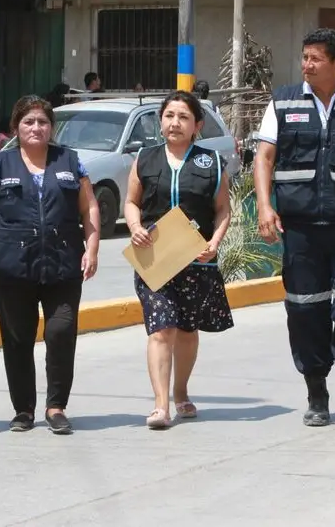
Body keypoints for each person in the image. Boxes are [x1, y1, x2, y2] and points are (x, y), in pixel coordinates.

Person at [252, 28, 335, 429]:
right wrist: (265, 206)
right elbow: (264, 157)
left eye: (315, 59)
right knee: (304, 308)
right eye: (304, 58)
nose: (306, 65)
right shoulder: (283, 102)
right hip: (300, 227)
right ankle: (316, 391)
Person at [0, 95, 101, 435]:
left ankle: (56, 406)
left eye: (42, 122)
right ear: (16, 128)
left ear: (51, 127)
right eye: (29, 122)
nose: (36, 128)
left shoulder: (70, 161)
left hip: (64, 264)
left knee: (60, 332)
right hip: (14, 265)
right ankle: (23, 409)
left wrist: (93, 248)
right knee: (17, 338)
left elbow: (90, 209)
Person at [124, 90, 234, 430]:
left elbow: (223, 210)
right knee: (161, 329)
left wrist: (214, 242)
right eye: (169, 116)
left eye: (183, 117)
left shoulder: (211, 162)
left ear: (197, 125)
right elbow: (131, 202)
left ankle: (181, 391)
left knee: (186, 331)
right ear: (161, 122)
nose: (175, 123)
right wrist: (135, 227)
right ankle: (161, 406)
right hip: (156, 259)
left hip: (196, 261)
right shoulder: (144, 159)